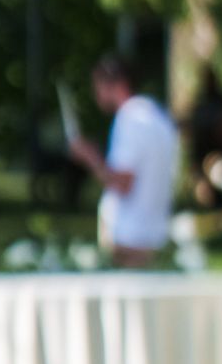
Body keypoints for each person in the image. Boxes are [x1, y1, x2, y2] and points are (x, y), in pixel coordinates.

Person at [68, 50, 181, 267]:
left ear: (116, 84)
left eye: (98, 85)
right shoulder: (156, 116)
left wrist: (90, 157)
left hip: (131, 237)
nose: (96, 94)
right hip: (154, 233)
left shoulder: (130, 119)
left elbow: (122, 182)